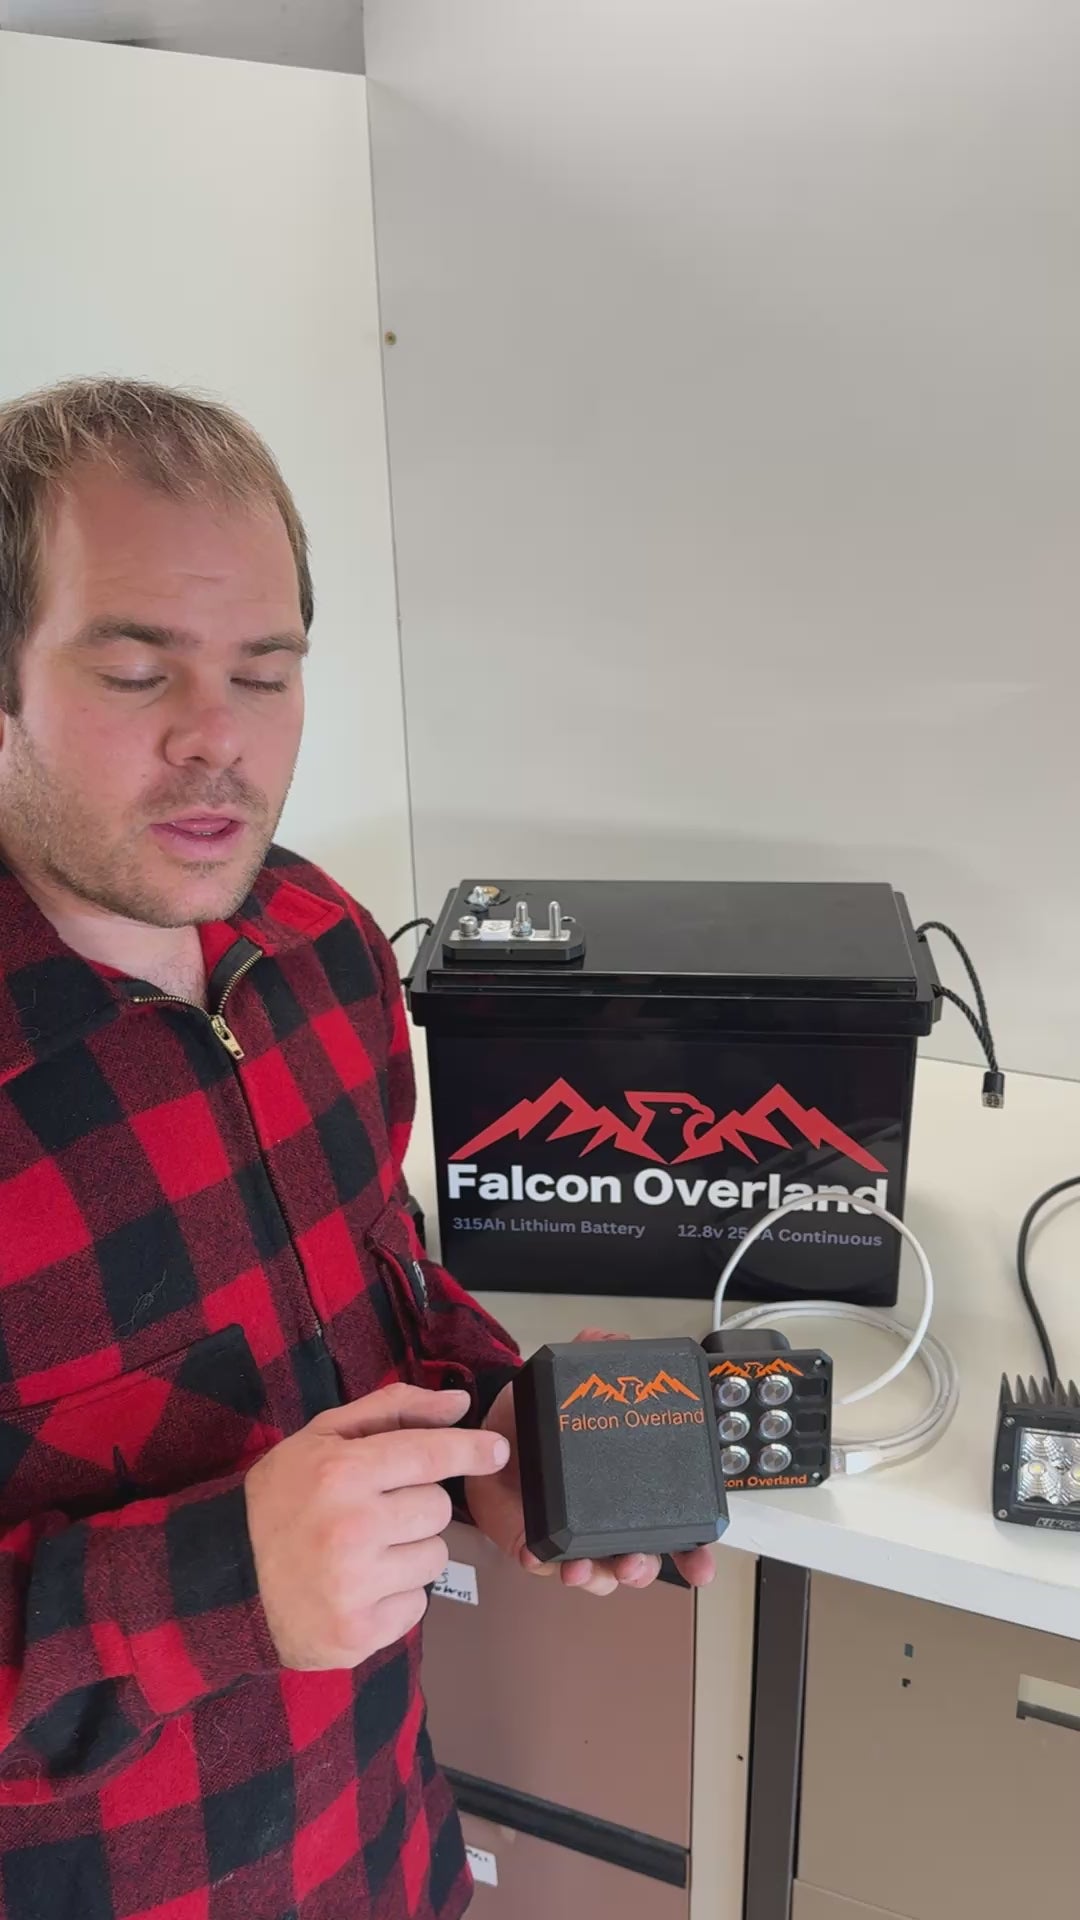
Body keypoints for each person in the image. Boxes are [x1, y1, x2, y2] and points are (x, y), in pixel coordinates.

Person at [0, 378, 715, 1920]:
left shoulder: (322, 945)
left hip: (377, 1853)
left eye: (265, 673)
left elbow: (377, 1284)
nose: (218, 739)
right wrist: (224, 1582)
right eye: (136, 672)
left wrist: (498, 1437)